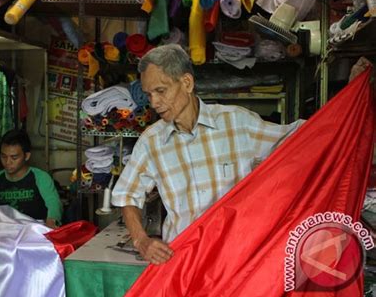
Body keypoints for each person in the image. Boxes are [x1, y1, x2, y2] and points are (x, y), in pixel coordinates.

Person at [111, 44, 304, 264]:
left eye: (161, 91)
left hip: (235, 262)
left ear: (186, 83)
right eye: (149, 94)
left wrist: (348, 107)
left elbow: (297, 137)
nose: (154, 102)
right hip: (184, 264)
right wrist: (141, 241)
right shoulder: (151, 142)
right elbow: (127, 194)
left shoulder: (237, 123)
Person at [0, 129, 62, 228]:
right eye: (4, 157)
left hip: (35, 232)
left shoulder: (40, 177)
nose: (8, 162)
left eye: (14, 158)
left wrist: (52, 221)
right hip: (7, 232)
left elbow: (54, 205)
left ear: (26, 156)